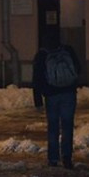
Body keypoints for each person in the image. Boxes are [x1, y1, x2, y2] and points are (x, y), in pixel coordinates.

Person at [32, 35, 81, 169]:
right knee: (67, 125)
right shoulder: (67, 50)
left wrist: (38, 101)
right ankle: (67, 157)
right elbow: (78, 68)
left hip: (51, 95)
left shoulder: (42, 55)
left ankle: (53, 159)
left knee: (53, 127)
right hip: (68, 93)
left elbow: (37, 78)